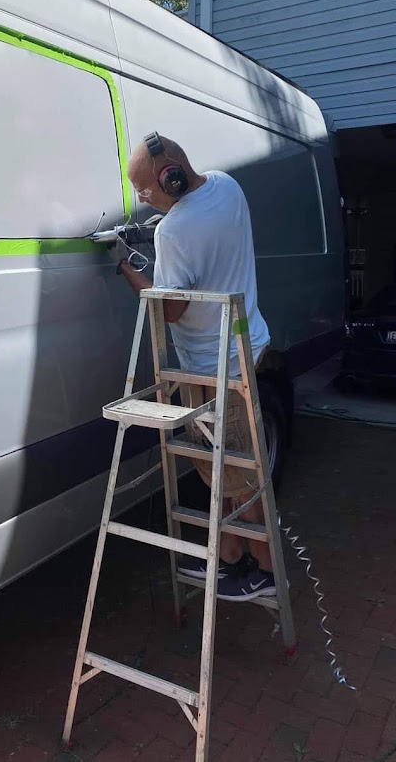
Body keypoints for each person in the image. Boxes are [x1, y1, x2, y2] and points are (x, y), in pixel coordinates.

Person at [112, 132, 276, 601]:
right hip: (246, 348)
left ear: (173, 177)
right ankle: (227, 560)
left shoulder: (174, 231)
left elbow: (170, 311)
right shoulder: (227, 185)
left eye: (146, 189)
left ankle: (263, 575)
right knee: (217, 468)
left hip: (214, 368)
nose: (144, 199)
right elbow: (209, 245)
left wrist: (125, 265)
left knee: (240, 478)